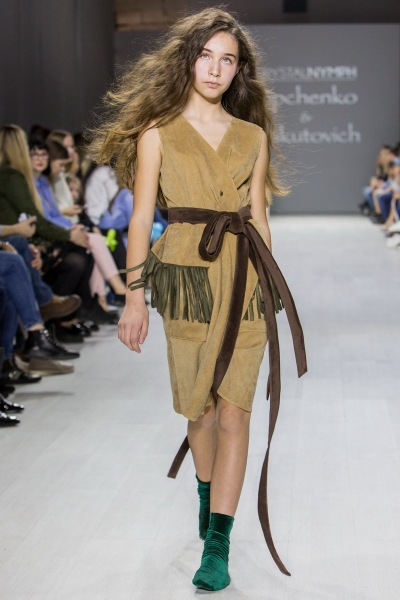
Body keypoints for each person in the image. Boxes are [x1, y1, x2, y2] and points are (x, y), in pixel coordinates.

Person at [91, 8, 306, 592]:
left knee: (235, 410)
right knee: (200, 411)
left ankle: (219, 542)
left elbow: (258, 215)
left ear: (239, 71)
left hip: (244, 279)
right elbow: (141, 218)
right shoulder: (157, 132)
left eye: (227, 60)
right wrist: (134, 297)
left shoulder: (253, 136)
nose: (215, 69)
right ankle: (207, 496)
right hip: (186, 282)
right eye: (206, 56)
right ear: (188, 61)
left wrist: (267, 286)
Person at [31, 139, 125, 318]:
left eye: (43, 155)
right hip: (47, 237)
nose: (41, 159)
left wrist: (74, 228)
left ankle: (97, 303)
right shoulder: (40, 181)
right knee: (87, 249)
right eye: (36, 155)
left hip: (58, 231)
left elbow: (52, 215)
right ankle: (105, 298)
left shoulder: (45, 181)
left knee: (89, 248)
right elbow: (45, 218)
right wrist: (72, 230)